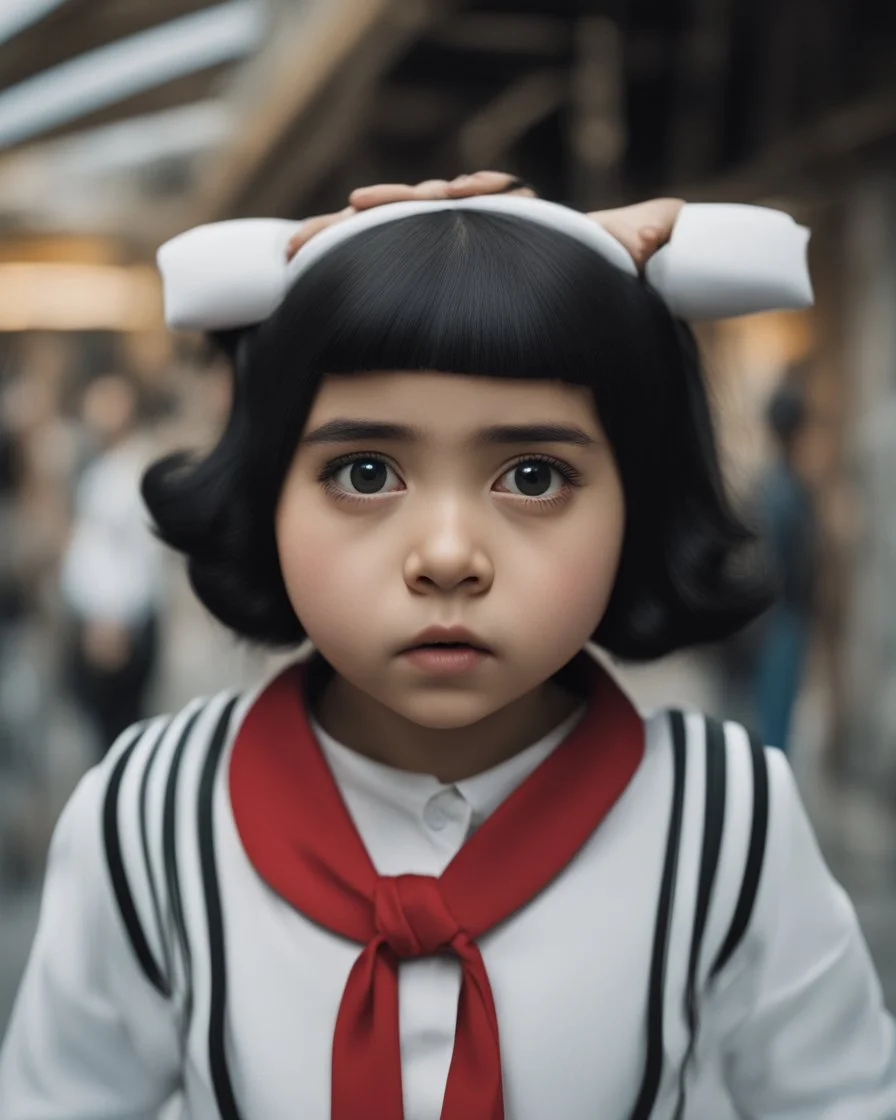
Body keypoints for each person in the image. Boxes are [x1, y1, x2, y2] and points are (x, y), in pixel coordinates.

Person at [0, 172, 893, 1120]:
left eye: (535, 476)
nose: (448, 555)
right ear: (268, 489)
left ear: (640, 495)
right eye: (367, 470)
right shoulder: (147, 816)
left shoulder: (732, 822)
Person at [59, 373, 165, 754]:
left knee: (120, 738)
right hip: (100, 622)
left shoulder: (136, 470)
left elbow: (139, 554)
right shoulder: (101, 465)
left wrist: (114, 619)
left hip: (119, 627)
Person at [753, 380, 818, 754]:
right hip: (784, 617)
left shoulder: (769, 485)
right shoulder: (787, 490)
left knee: (774, 715)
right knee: (776, 720)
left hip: (776, 618)